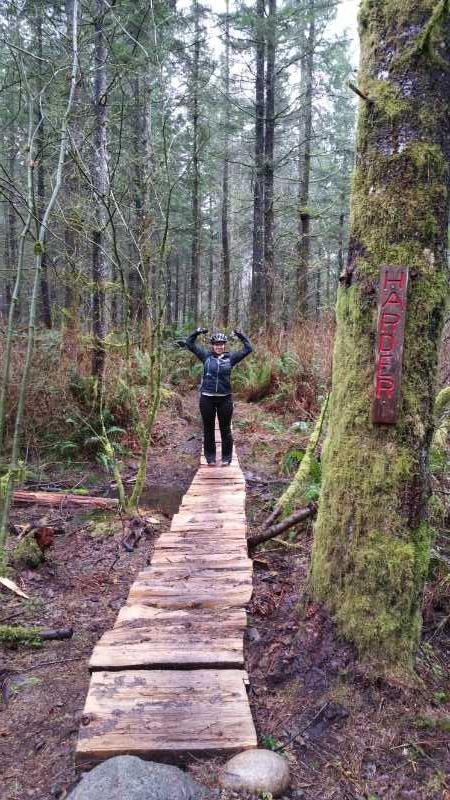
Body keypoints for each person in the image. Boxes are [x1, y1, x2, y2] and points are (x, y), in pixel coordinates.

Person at [185, 327, 252, 466]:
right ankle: (210, 457)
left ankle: (226, 458)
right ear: (213, 345)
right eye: (216, 344)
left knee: (225, 429)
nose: (219, 346)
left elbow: (248, 348)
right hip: (207, 398)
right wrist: (197, 332)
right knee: (208, 428)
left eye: (221, 344)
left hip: (225, 398)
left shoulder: (231, 358)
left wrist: (240, 334)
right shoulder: (206, 356)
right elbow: (189, 344)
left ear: (224, 345)